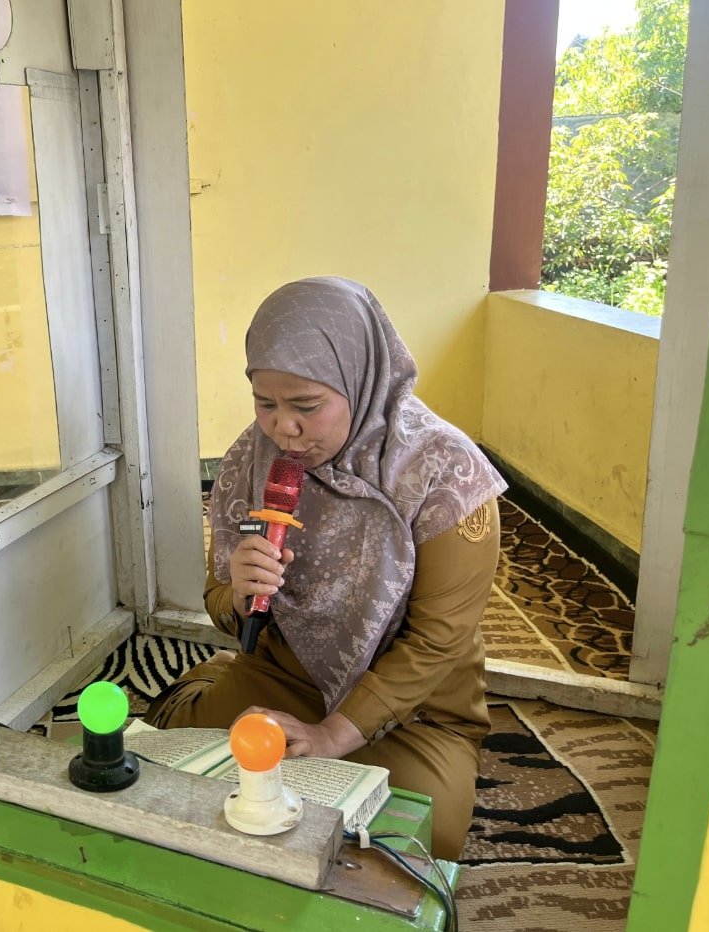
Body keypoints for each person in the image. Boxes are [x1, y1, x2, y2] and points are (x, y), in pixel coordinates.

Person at [144, 277, 507, 860]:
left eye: (306, 407)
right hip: (282, 676)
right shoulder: (251, 458)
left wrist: (331, 736)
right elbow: (221, 602)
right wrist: (238, 592)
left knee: (415, 837)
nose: (282, 428)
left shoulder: (446, 473)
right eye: (266, 404)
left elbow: (440, 642)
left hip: (415, 707)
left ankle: (240, 700)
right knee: (172, 775)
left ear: (361, 382)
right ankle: (212, 685)